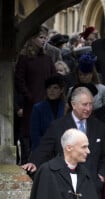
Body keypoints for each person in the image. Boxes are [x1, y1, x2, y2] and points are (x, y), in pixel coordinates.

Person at [22, 86, 105, 199]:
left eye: (90, 104)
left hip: (92, 187)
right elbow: (43, 149)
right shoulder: (58, 126)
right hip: (66, 187)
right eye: (84, 104)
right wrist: (33, 162)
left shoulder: (99, 127)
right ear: (73, 105)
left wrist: (102, 176)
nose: (88, 108)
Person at [14, 24, 56, 163]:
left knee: (46, 139)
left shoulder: (47, 59)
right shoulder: (24, 59)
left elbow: (53, 79)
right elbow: (19, 81)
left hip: (47, 105)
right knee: (30, 140)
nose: (44, 40)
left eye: (45, 37)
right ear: (32, 38)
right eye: (40, 37)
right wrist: (30, 97)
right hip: (31, 106)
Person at [30, 74, 66, 150]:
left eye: (55, 88)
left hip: (63, 151)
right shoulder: (38, 108)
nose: (51, 91)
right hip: (42, 151)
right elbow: (35, 135)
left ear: (61, 90)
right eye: (49, 88)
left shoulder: (67, 108)